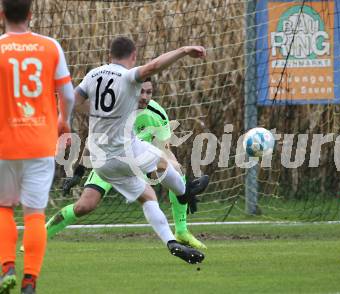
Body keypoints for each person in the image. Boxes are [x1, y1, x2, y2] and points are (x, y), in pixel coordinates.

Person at [73, 36, 207, 264]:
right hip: (126, 150)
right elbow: (154, 66)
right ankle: (186, 192)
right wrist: (184, 50)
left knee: (147, 196)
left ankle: (170, 241)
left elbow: (73, 101)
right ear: (133, 56)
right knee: (163, 163)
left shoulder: (92, 75)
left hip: (101, 162)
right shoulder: (128, 76)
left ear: (109, 56)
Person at [46, 78, 207, 250]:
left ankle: (181, 231)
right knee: (84, 206)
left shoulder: (157, 115)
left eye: (149, 92)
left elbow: (165, 150)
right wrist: (79, 172)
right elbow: (94, 139)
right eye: (141, 92)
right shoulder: (115, 109)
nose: (144, 96)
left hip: (139, 162)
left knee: (173, 172)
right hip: (108, 162)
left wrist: (181, 178)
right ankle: (41, 235)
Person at [0, 0, 75, 292]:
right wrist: (63, 121)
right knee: (34, 214)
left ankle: (7, 268)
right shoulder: (50, 46)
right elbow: (67, 95)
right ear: (31, 14)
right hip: (41, 144)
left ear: (2, 13)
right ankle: (30, 280)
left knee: (4, 208)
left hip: (4, 145)